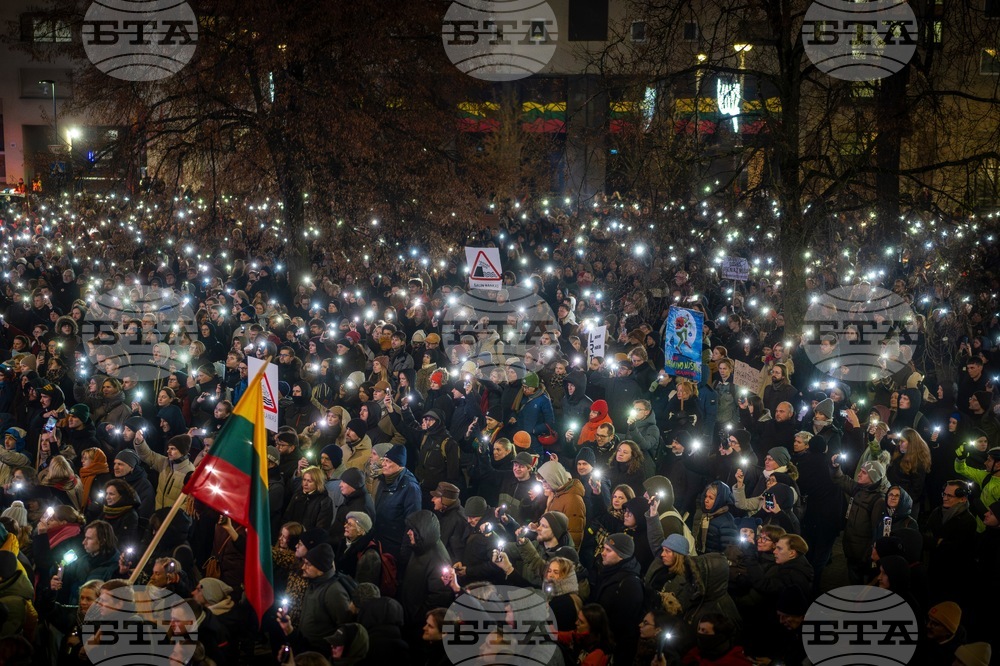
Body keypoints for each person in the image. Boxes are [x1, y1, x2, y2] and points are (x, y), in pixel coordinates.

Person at [277, 543, 353, 653]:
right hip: (305, 649)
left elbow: (345, 626)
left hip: (319, 654)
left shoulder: (334, 592)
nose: (303, 567)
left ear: (321, 568)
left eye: (308, 564)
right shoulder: (314, 584)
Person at [591, 533, 645, 665]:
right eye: (604, 548)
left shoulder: (630, 584)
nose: (603, 553)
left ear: (622, 555)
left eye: (608, 550)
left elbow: (624, 625)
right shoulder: (608, 571)